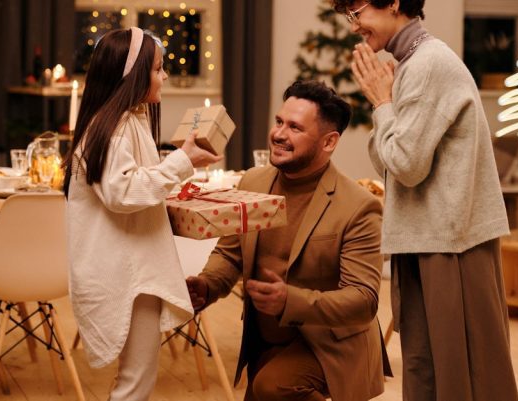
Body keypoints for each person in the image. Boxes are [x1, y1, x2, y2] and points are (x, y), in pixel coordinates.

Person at [334, 0, 518, 400]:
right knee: (428, 368)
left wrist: (382, 104)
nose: (354, 27)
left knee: (462, 374)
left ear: (393, 3)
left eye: (356, 12)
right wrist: (386, 106)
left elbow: (404, 164)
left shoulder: (427, 64)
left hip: (452, 245)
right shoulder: (414, 61)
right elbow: (395, 156)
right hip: (432, 239)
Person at [186, 80, 387, 401]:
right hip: (266, 340)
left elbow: (364, 300)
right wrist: (207, 285)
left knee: (273, 389)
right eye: (279, 122)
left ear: (329, 142)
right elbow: (231, 254)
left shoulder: (359, 206)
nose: (279, 134)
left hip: (329, 344)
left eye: (295, 127)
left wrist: (290, 301)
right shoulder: (253, 182)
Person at [63, 27, 222, 401]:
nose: (163, 76)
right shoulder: (113, 128)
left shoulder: (127, 121)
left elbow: (134, 180)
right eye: (157, 69)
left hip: (132, 269)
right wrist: (182, 162)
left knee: (138, 377)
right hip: (126, 274)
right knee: (136, 382)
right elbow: (123, 192)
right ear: (129, 74)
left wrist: (178, 164)